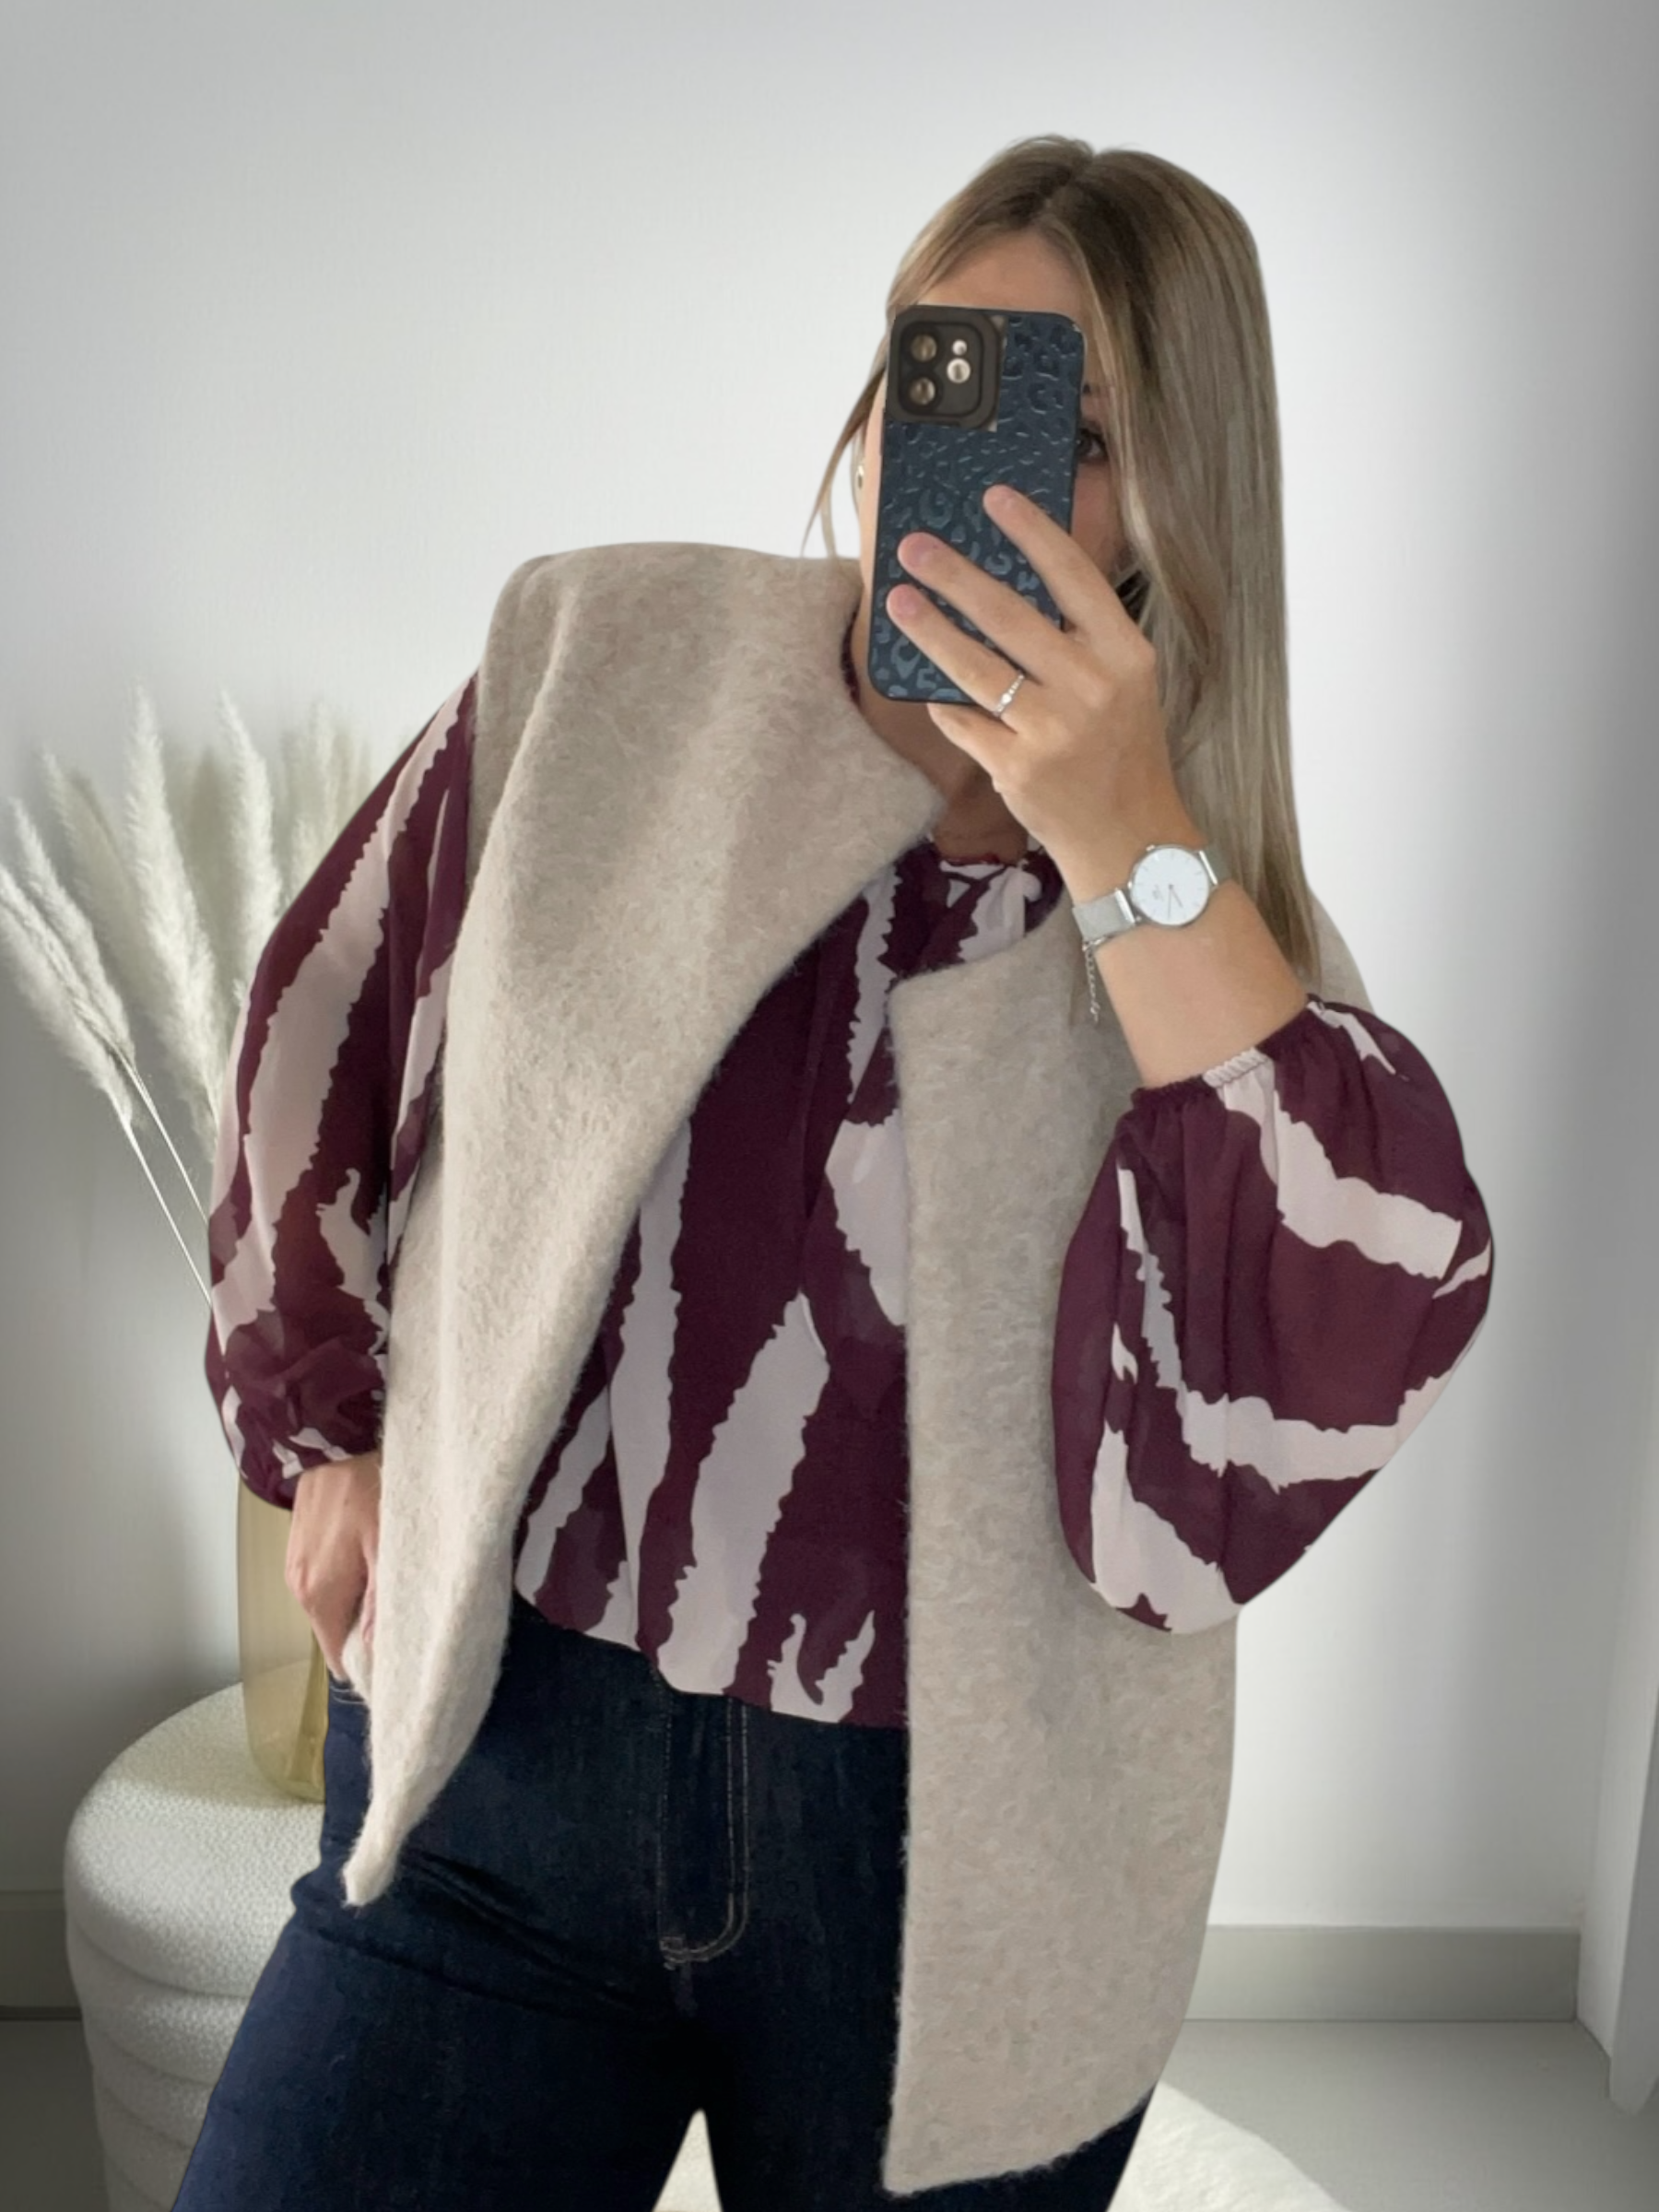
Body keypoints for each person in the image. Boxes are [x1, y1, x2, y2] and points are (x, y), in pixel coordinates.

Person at [177, 135, 1494, 2210]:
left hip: (951, 1882)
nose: (965, 459)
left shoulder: (1212, 949)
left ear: (1176, 504)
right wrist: (326, 1439)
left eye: (1075, 433)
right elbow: (328, 1005)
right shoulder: (605, 660)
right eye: (935, 373)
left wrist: (1123, 834)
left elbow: (1312, 1390)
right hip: (505, 1770)